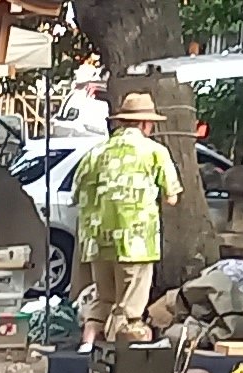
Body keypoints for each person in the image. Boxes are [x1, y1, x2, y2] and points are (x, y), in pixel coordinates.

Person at [71, 90, 178, 344]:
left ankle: (87, 347)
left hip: (96, 240)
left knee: (104, 297)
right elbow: (172, 197)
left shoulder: (95, 153)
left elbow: (76, 194)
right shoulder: (154, 152)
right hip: (136, 240)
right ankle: (121, 360)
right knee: (129, 308)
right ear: (144, 123)